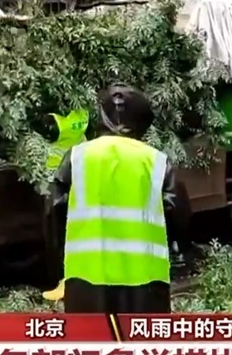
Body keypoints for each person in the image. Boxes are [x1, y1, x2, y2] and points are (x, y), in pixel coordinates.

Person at [50, 85, 191, 313]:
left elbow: (55, 210)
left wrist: (57, 263)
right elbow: (177, 213)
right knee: (141, 336)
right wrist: (179, 251)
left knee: (91, 336)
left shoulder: (77, 157)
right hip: (145, 278)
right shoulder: (155, 161)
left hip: (86, 277)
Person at [40, 109, 90, 302]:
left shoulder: (49, 118)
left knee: (58, 230)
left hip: (55, 177)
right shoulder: (82, 111)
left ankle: (66, 281)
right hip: (78, 172)